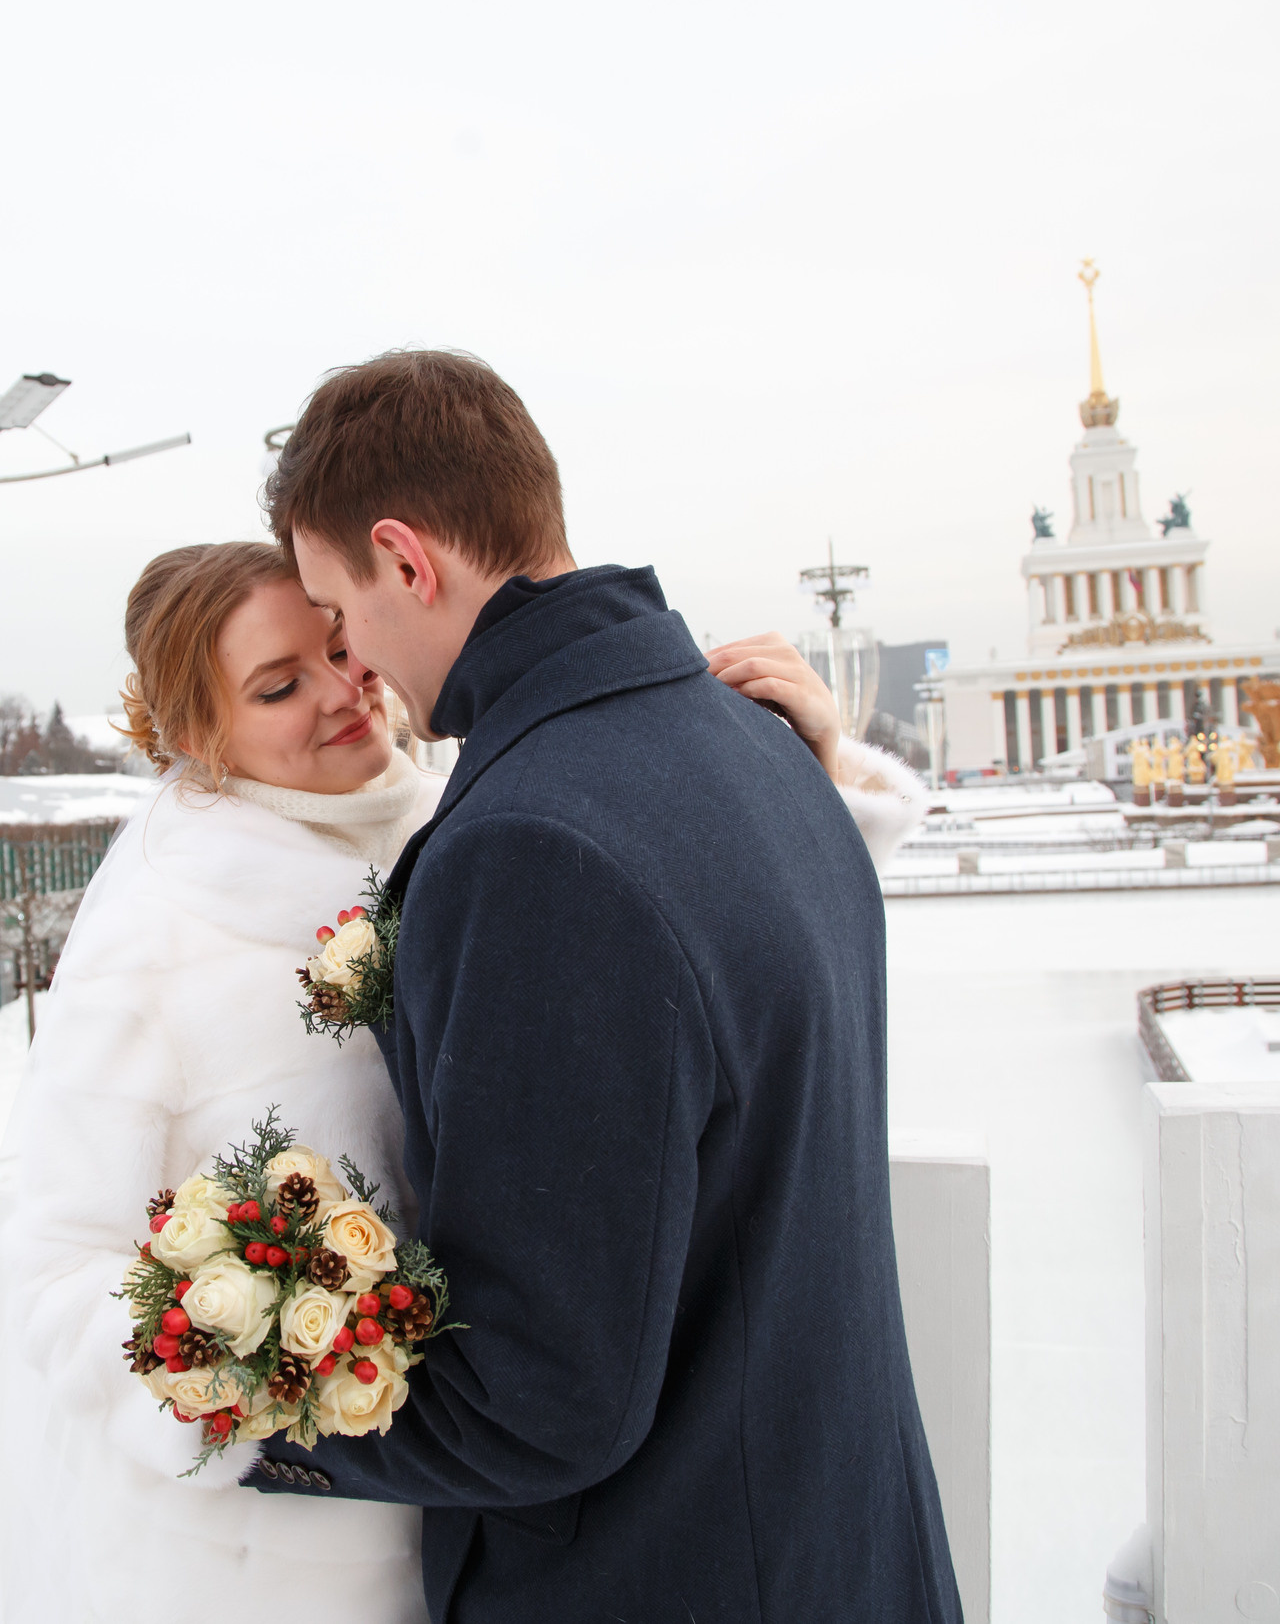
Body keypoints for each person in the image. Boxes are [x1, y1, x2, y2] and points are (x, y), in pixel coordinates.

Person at [0, 536, 928, 1622]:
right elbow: (53, 1268)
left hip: (492, 1514)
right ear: (192, 737)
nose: (341, 693)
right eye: (279, 686)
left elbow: (682, 968)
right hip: (279, 1556)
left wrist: (804, 775)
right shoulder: (157, 944)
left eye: (337, 646)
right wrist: (265, 1365)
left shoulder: (470, 819)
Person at [248, 349, 961, 1622]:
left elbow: (541, 1400)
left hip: (667, 1578)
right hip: (835, 1550)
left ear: (409, 562)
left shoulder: (534, 844)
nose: (350, 657)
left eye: (338, 610)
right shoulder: (758, 745)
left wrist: (249, 1401)